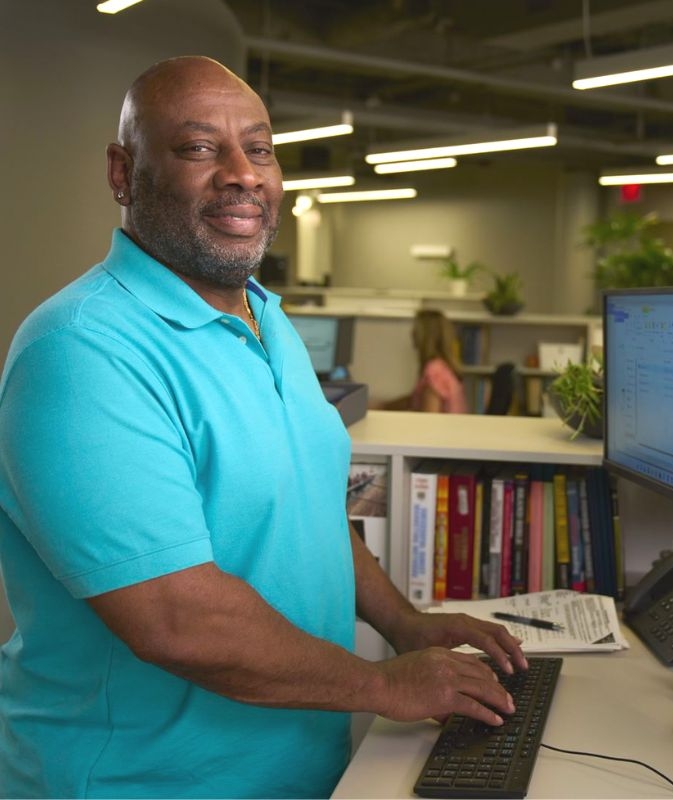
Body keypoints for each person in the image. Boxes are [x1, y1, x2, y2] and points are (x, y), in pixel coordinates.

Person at [0, 56, 526, 799]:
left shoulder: (265, 317)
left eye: (261, 147)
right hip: (139, 782)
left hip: (298, 768)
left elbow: (308, 507)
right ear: (123, 174)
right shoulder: (81, 351)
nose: (243, 173)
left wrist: (405, 625)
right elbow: (177, 619)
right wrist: (383, 685)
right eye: (198, 148)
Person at [410, 309, 469, 413]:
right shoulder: (443, 367)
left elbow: (429, 421)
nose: (412, 333)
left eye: (415, 329)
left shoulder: (434, 372)